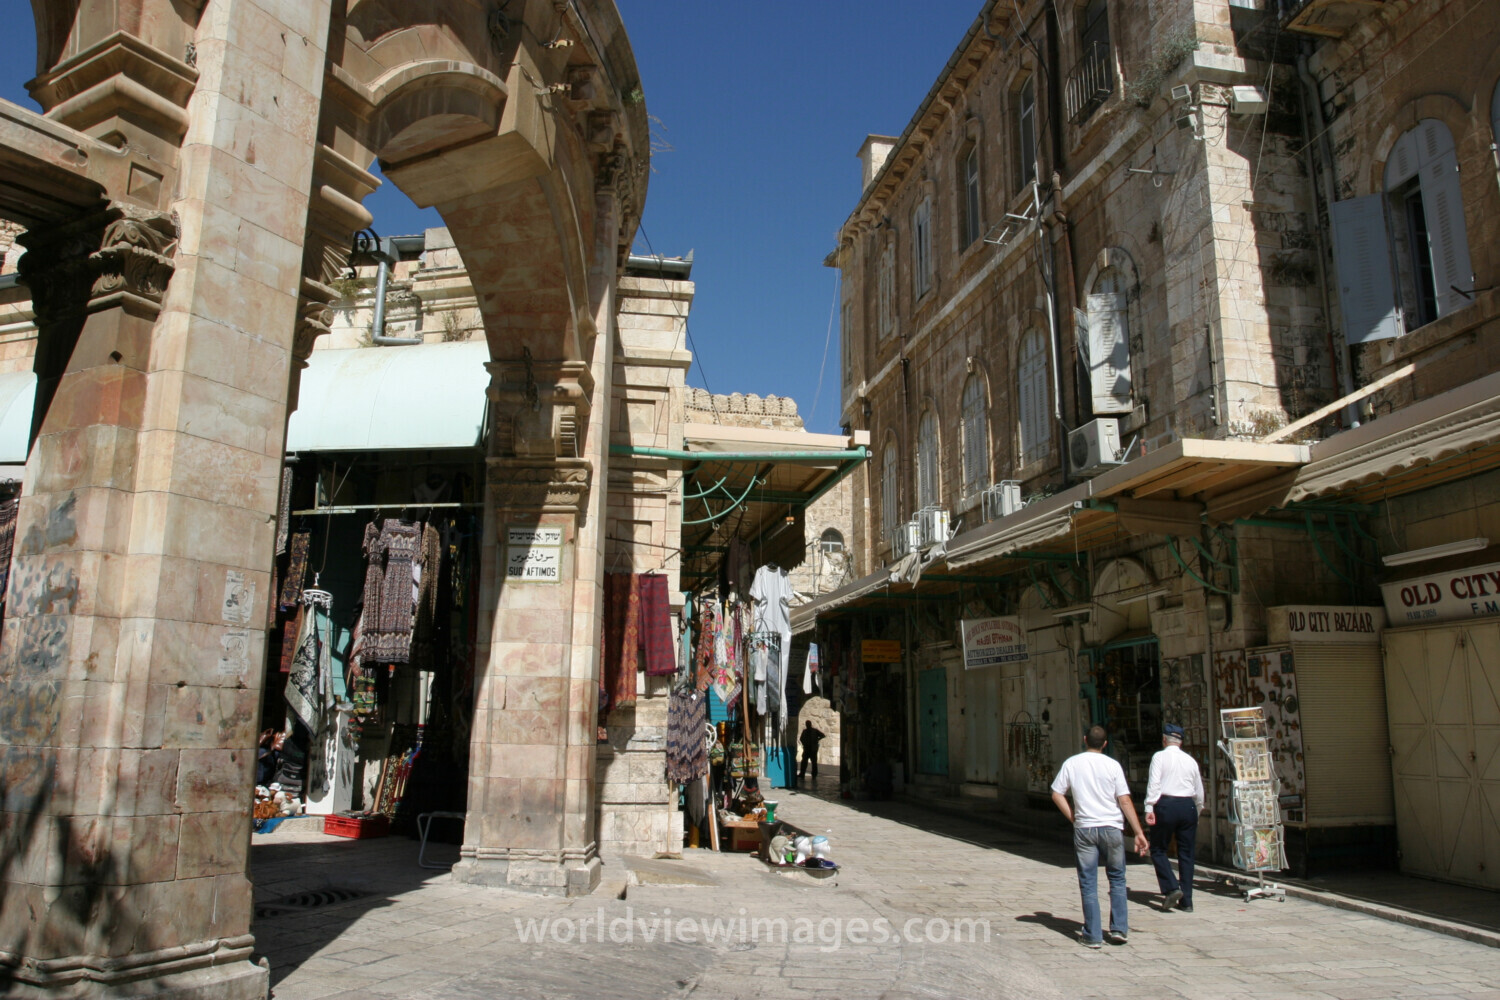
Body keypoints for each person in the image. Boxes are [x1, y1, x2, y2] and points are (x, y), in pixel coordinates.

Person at [1051, 725, 1150, 948]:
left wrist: (1073, 817)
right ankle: (1119, 929)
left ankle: (1093, 935)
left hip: (1085, 828)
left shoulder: (1072, 763)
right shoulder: (1113, 765)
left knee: (1088, 881)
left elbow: (1057, 794)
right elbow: (1124, 800)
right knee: (1117, 878)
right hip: (1111, 827)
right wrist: (1138, 832)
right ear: (1105, 744)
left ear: (1085, 739)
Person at [1145, 722, 1205, 913]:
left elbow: (1154, 783)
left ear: (1164, 739)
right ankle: (1187, 901)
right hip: (1188, 805)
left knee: (1158, 849)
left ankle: (1171, 887)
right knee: (1186, 853)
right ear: (1181, 742)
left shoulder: (1159, 757)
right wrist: (1197, 810)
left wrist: (1149, 806)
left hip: (1166, 804)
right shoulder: (1190, 760)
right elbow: (1199, 791)